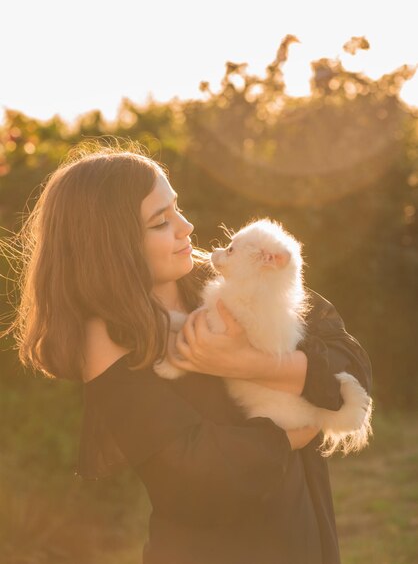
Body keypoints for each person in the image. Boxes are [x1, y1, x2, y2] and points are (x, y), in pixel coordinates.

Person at [14, 143, 372, 564]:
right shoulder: (109, 338)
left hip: (305, 533)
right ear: (112, 245)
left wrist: (243, 363)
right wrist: (305, 427)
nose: (186, 227)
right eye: (160, 221)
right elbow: (197, 477)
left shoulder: (225, 276)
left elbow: (352, 367)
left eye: (177, 208)